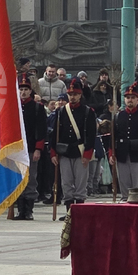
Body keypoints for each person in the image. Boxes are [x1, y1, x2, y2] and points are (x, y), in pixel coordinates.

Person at [49, 78, 96, 213]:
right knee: (66, 182)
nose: (72, 97)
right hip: (64, 152)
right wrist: (53, 152)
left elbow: (91, 135)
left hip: (80, 151)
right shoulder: (61, 112)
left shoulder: (88, 112)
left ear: (80, 95)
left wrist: (87, 154)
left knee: (81, 183)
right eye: (70, 94)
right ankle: (69, 212)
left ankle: (79, 212)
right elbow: (54, 134)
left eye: (75, 94)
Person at [110, 86, 138, 200]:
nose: (130, 100)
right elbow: (113, 137)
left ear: (137, 98)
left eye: (132, 97)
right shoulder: (118, 116)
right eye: (128, 97)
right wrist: (111, 153)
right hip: (122, 154)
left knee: (137, 186)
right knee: (124, 185)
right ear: (124, 99)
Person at [15, 78, 47, 220]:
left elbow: (41, 130)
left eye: (26, 90)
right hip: (17, 149)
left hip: (31, 148)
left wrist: (38, 149)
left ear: (30, 91)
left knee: (31, 179)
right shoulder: (14, 107)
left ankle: (28, 210)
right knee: (18, 179)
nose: (23, 92)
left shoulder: (37, 107)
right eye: (21, 90)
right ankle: (20, 209)